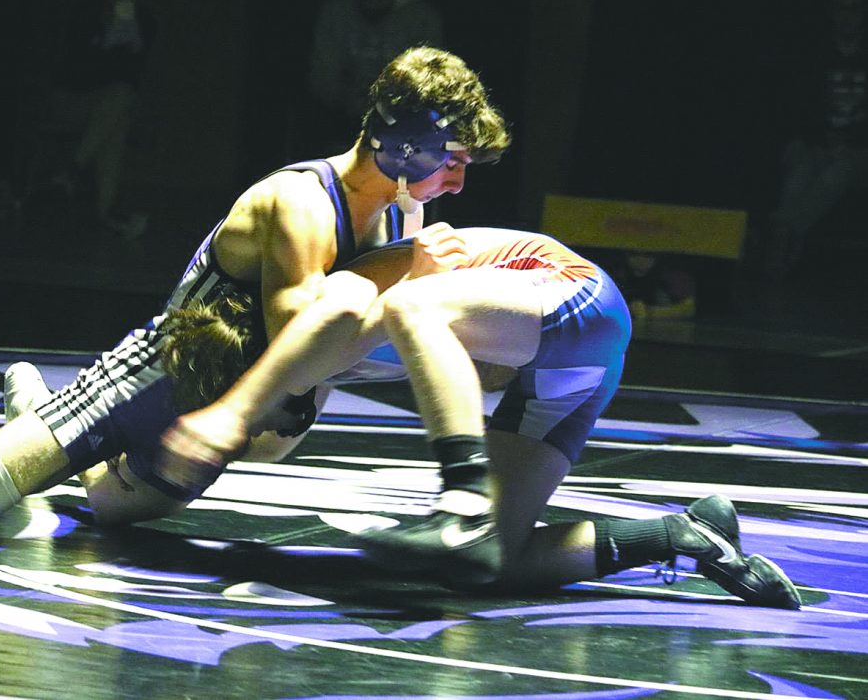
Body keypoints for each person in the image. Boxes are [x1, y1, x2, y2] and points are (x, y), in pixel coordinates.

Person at [0, 46, 509, 538]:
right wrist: (405, 277)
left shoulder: (397, 215)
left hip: (219, 413)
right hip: (147, 383)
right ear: (408, 146)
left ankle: (33, 420)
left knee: (105, 506)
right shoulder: (302, 203)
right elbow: (300, 331)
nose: (458, 182)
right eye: (452, 161)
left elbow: (343, 343)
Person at [158, 223, 802, 610]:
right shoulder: (319, 367)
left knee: (410, 306)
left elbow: (444, 344)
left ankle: (462, 502)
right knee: (494, 563)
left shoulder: (335, 299)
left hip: (571, 296)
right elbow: (488, 373)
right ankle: (683, 535)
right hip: (564, 362)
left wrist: (232, 412)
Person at [767, 0, 868, 279]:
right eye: (841, 8)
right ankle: (785, 244)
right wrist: (813, 140)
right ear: (832, 13)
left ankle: (783, 232)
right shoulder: (814, 55)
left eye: (854, 8)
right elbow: (798, 106)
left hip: (859, 152)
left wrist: (853, 143)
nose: (847, 16)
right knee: (800, 170)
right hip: (820, 144)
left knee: (840, 170)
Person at [49, 0, 156, 236]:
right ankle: (105, 209)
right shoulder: (84, 13)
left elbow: (134, 71)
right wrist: (106, 46)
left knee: (119, 108)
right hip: (76, 97)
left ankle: (74, 173)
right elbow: (74, 66)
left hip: (113, 102)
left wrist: (128, 40)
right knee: (118, 109)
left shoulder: (143, 18)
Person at [303, 0, 443, 155]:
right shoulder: (335, 13)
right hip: (342, 113)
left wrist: (391, 105)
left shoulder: (421, 17)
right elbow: (323, 71)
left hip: (402, 117)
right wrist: (344, 100)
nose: (372, 5)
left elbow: (430, 75)